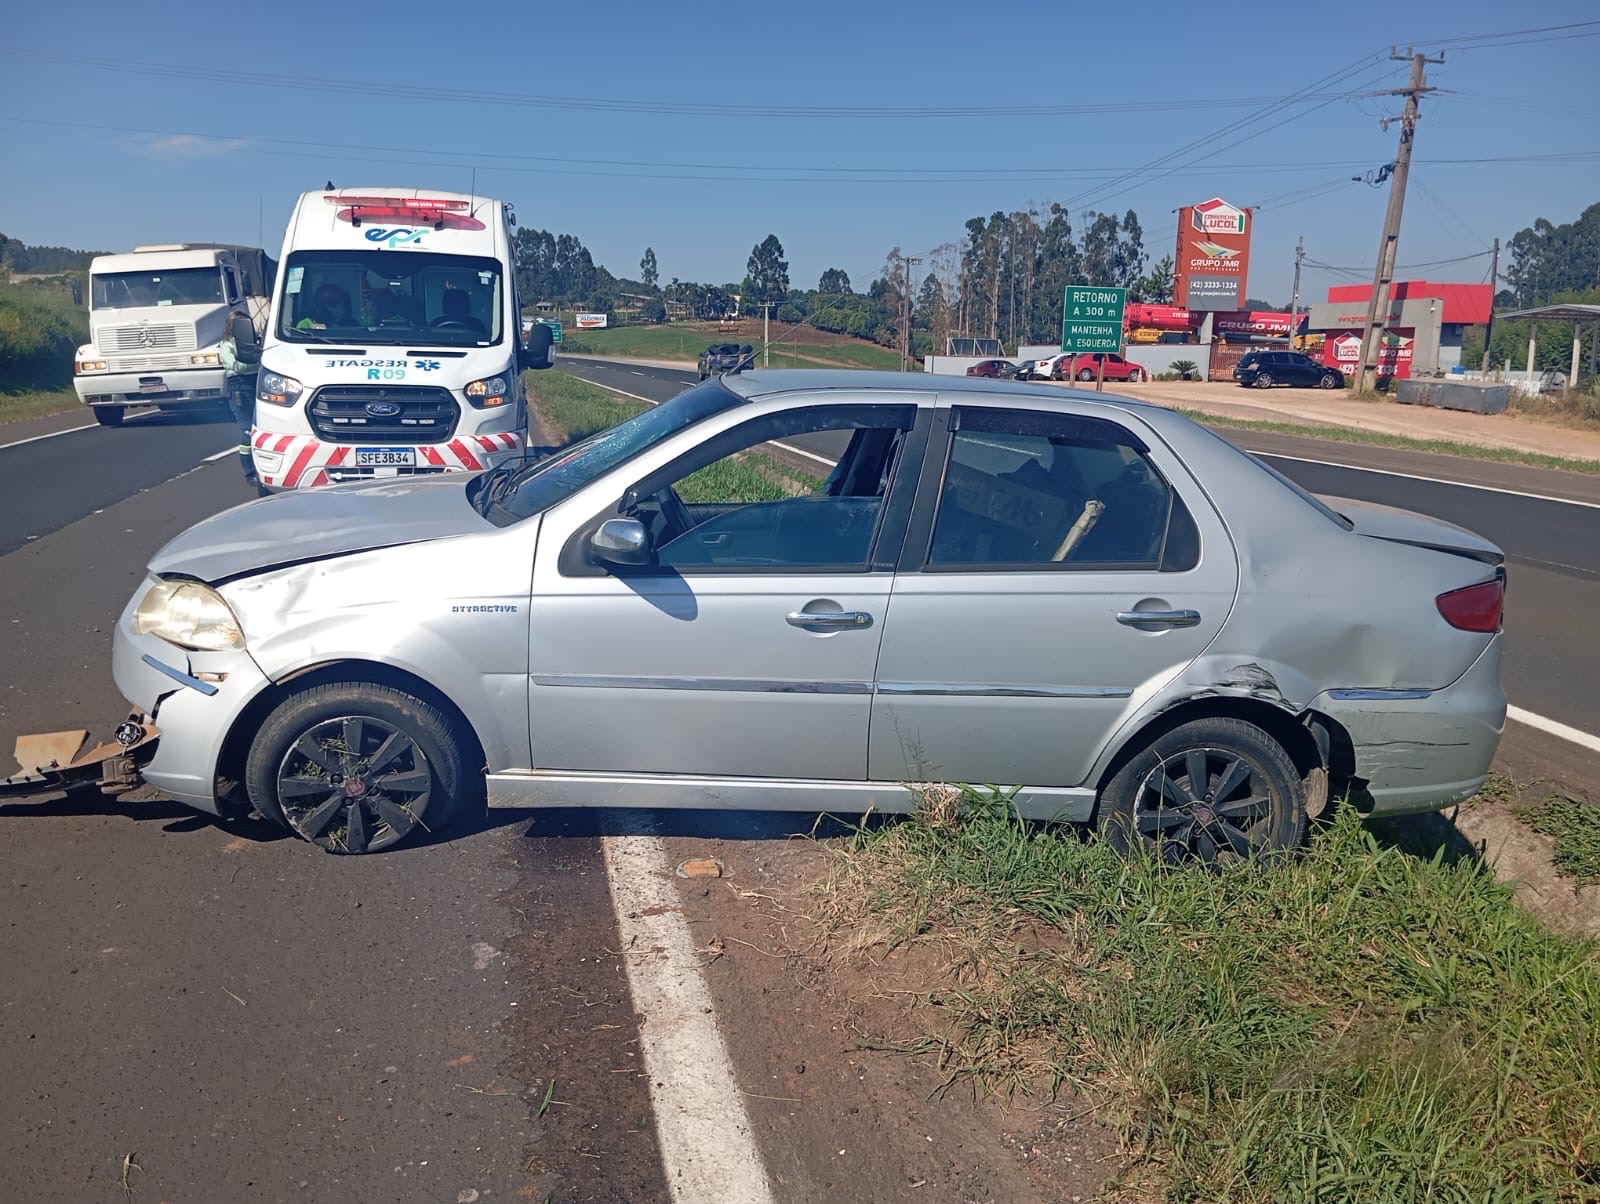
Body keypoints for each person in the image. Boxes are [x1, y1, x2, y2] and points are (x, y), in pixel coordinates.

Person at [220, 309, 261, 486]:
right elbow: (237, 366)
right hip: (239, 388)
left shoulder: (255, 343)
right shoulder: (226, 346)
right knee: (247, 432)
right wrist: (257, 362)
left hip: (256, 384)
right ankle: (249, 472)